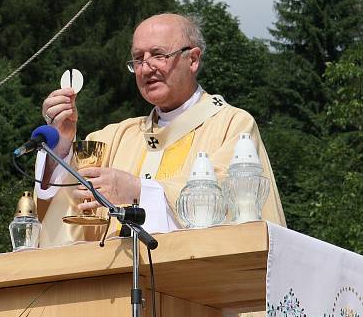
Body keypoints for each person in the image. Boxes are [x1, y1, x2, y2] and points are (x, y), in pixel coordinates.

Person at [35, 13, 285, 247]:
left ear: (193, 59)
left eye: (158, 55)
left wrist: (139, 190)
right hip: (115, 287)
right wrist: (62, 144)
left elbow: (233, 199)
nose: (145, 68)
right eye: (138, 58)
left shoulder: (233, 125)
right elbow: (67, 214)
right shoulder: (112, 138)